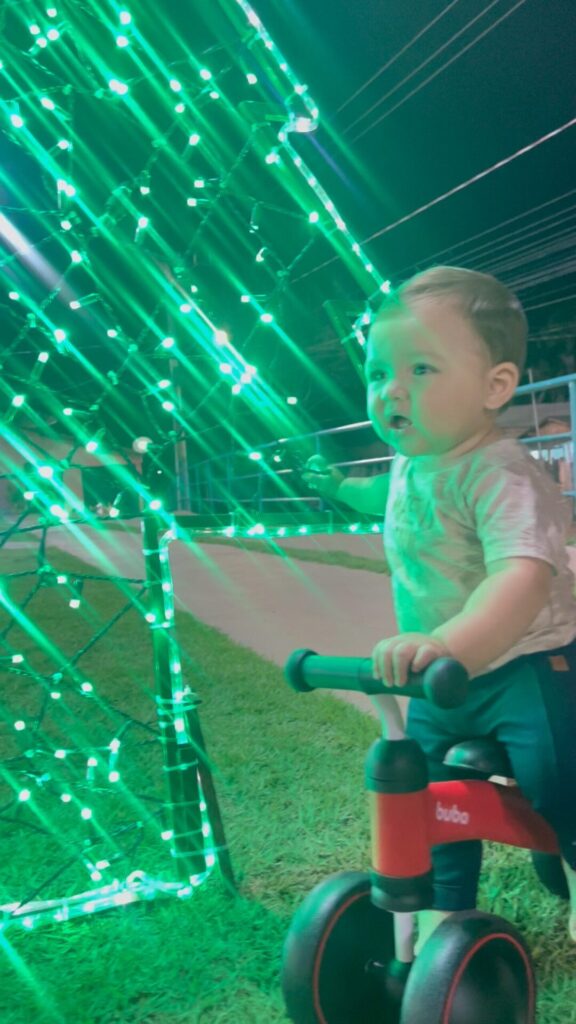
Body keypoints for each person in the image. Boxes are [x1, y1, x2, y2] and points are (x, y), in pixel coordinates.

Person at [304, 265, 576, 952]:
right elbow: (381, 496)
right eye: (378, 373)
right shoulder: (412, 462)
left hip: (530, 664)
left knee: (559, 778)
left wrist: (448, 643)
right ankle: (442, 917)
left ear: (495, 386)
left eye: (420, 369)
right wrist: (340, 488)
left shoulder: (502, 473)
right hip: (443, 673)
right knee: (426, 796)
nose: (391, 390)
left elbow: (520, 579)